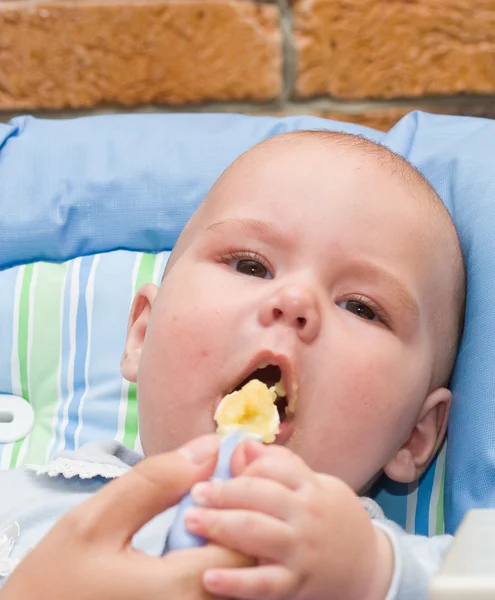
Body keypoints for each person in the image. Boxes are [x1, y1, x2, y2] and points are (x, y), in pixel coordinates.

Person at [0, 130, 466, 599]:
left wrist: (375, 572)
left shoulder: (384, 566)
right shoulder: (21, 501)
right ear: (143, 334)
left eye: (361, 307)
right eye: (250, 265)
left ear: (415, 434)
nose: (295, 300)